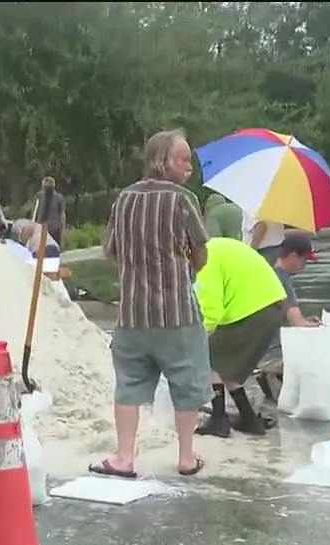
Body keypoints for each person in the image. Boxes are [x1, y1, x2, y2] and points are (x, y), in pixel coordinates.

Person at [91, 129, 210, 479]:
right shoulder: (182, 200)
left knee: (128, 385)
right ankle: (186, 457)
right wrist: (185, 265)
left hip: (132, 314)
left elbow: (110, 250)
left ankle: (124, 457)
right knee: (186, 384)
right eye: (182, 158)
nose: (188, 166)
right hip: (177, 313)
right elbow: (201, 252)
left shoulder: (123, 199)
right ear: (162, 161)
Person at [195, 202, 288, 437]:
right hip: (268, 305)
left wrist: (194, 338)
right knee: (227, 366)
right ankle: (248, 419)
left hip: (255, 309)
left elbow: (211, 311)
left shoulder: (205, 260)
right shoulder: (217, 247)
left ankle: (219, 420)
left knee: (210, 356)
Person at [257, 231, 321, 400]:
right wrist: (319, 328)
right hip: (273, 355)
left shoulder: (270, 275)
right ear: (293, 256)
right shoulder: (281, 281)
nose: (305, 265)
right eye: (304, 260)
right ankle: (272, 376)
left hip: (261, 349)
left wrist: (307, 321)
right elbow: (297, 323)